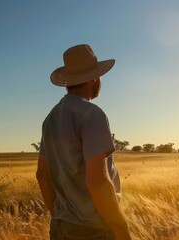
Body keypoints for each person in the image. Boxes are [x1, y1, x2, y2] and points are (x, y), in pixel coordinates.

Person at [36, 44, 132, 240]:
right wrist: (122, 230)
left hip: (60, 227)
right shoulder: (92, 114)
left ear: (68, 81)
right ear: (95, 78)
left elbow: (42, 175)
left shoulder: (50, 119)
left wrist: (60, 217)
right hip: (94, 230)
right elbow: (97, 181)